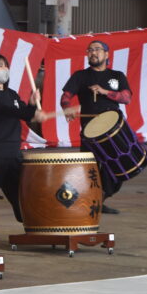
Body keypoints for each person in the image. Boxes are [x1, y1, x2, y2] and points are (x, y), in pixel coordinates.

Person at [60, 39, 138, 214]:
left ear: (106, 54)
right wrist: (66, 107)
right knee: (88, 170)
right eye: (90, 50)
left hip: (114, 130)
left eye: (97, 49)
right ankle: (85, 201)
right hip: (90, 131)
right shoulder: (80, 76)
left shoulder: (117, 76)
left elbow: (126, 98)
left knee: (118, 168)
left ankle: (99, 200)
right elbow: (66, 96)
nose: (93, 53)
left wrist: (105, 91)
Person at [0, 54, 52, 222]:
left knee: (23, 195)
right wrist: (32, 112)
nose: (4, 69)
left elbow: (24, 113)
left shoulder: (11, 94)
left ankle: (31, 226)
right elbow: (8, 110)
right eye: (0, 66)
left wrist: (32, 104)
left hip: (13, 152)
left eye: (6, 66)